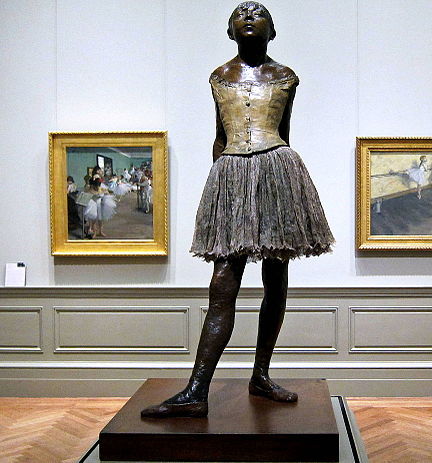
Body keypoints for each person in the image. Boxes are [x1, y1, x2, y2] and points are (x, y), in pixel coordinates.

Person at [141, 1, 334, 418]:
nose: (249, 15)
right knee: (223, 282)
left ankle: (260, 375)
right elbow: (220, 135)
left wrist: (274, 182)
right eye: (241, 13)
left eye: (258, 12)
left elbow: (284, 133)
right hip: (230, 173)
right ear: (230, 31)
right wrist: (221, 190)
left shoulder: (286, 76)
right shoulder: (219, 76)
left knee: (276, 278)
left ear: (272, 31)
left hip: (277, 171)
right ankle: (196, 389)